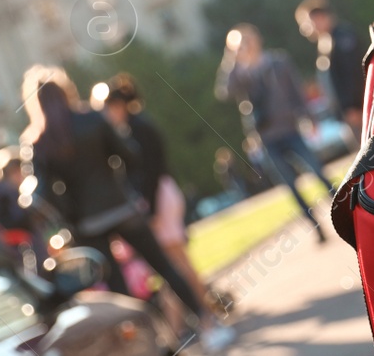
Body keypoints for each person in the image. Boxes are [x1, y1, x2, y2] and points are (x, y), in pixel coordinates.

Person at [18, 65, 234, 352]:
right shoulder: (92, 120)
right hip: (122, 208)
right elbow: (130, 155)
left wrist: (67, 214)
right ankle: (209, 325)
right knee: (165, 267)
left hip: (86, 224)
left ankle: (150, 345)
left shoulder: (38, 141)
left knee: (120, 293)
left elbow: (40, 192)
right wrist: (124, 188)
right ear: (66, 92)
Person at [95, 75, 215, 332]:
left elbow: (149, 172)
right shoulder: (134, 127)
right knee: (177, 261)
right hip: (160, 195)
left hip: (159, 197)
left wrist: (148, 210)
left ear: (118, 105)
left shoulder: (137, 130)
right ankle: (202, 312)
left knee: (175, 263)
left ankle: (202, 313)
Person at [214, 25, 337, 243]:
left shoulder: (277, 62)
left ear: (257, 39)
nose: (245, 46)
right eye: (239, 44)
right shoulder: (241, 73)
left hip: (290, 129)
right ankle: (316, 227)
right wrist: (231, 58)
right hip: (266, 138)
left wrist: (309, 117)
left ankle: (344, 210)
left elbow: (296, 90)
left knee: (317, 171)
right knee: (290, 185)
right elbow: (224, 91)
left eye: (247, 40)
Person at [294, 0, 365, 138]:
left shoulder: (342, 37)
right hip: (348, 113)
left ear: (319, 17)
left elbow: (352, 73)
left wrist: (353, 106)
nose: (305, 29)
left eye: (307, 23)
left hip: (359, 110)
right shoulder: (327, 42)